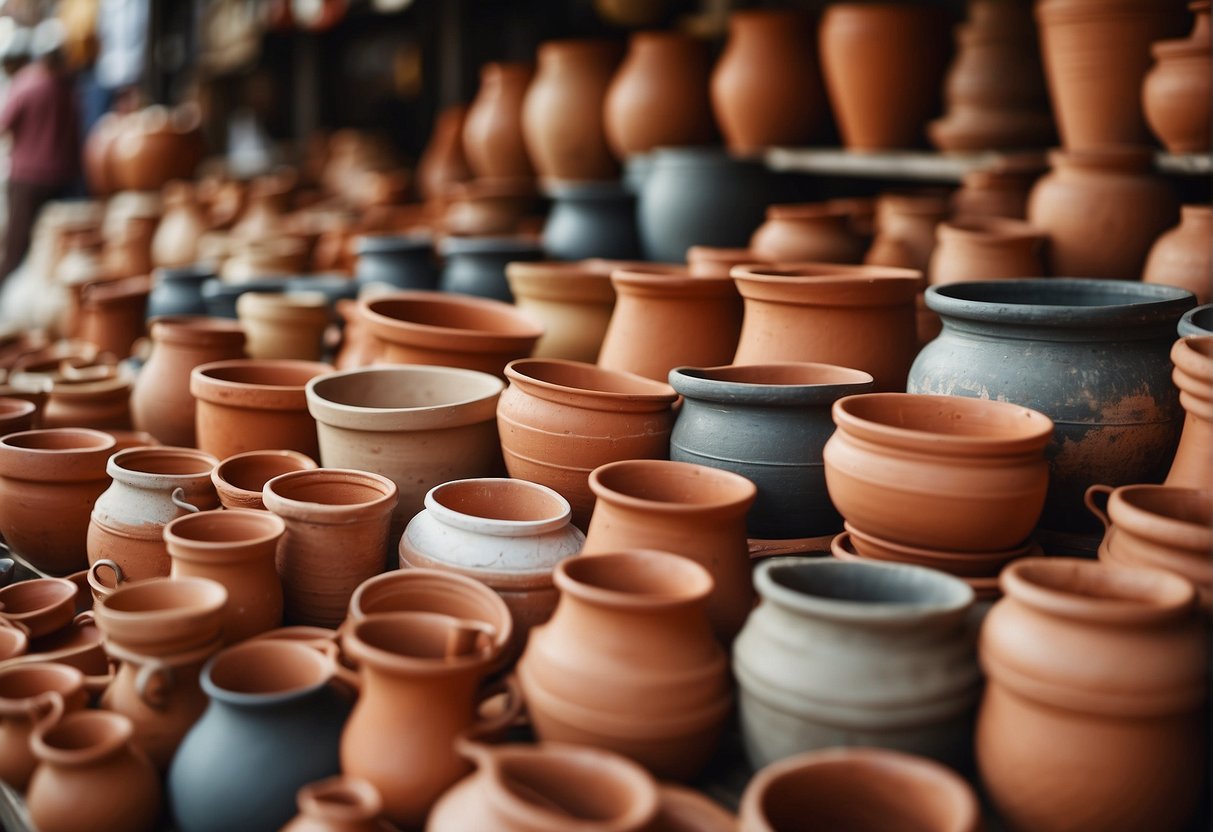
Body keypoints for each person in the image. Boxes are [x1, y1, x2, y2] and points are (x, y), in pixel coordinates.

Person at [0, 20, 80, 287]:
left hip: (27, 179)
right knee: (48, 251)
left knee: (17, 248)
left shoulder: (27, 83)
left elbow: (4, 124)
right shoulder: (68, 88)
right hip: (60, 178)